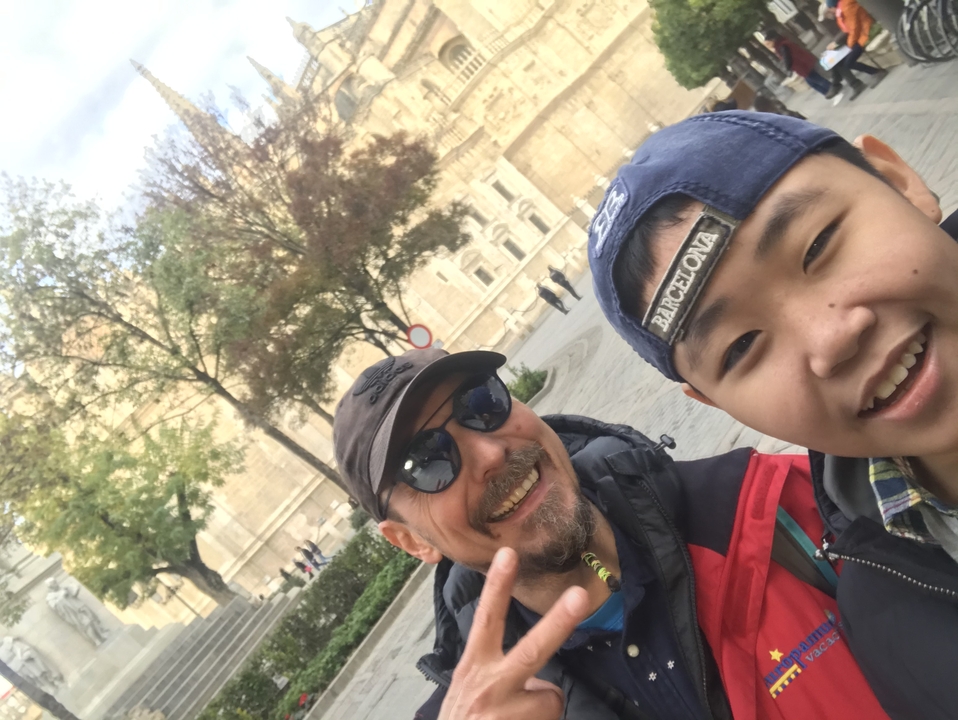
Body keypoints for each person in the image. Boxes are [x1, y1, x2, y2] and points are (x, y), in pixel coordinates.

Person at [590, 109, 958, 720]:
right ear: (713, 403)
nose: (831, 339)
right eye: (741, 347)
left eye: (818, 245)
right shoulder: (884, 618)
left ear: (897, 180)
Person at [332, 348, 889, 720]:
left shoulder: (773, 505)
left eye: (481, 404)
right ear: (411, 542)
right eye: (427, 463)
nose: (491, 451)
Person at [823, 0, 888, 87]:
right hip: (859, 36)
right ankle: (874, 73)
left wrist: (849, 46)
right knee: (842, 59)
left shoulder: (847, 8)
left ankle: (876, 72)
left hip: (866, 33)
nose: (830, 11)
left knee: (848, 62)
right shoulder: (841, 11)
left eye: (830, 8)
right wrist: (837, 44)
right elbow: (847, 30)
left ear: (833, 6)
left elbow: (854, 29)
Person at [763, 31, 832, 97]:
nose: (768, 46)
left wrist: (788, 68)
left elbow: (787, 58)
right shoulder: (781, 45)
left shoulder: (782, 46)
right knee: (813, 82)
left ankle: (832, 90)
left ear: (773, 40)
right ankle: (829, 92)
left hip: (803, 65)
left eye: (768, 44)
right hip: (802, 65)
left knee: (817, 81)